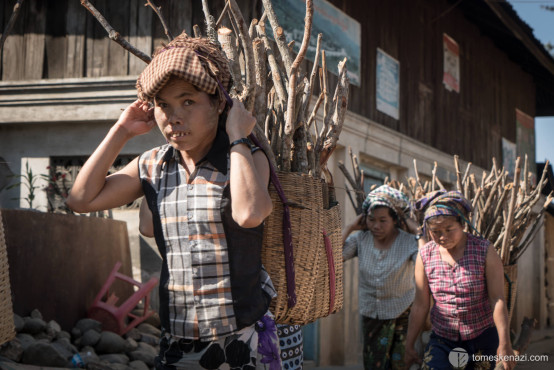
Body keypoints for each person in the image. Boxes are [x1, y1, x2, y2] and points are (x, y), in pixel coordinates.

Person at [67, 33, 281, 369]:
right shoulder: (153, 165)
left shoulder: (245, 158)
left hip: (240, 338)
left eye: (188, 102)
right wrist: (121, 130)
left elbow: (249, 214)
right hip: (176, 339)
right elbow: (80, 199)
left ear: (218, 104)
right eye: (163, 105)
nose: (173, 116)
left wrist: (238, 136)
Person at [404, 190, 515, 370]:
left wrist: (504, 343)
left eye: (449, 229)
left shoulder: (484, 250)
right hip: (443, 340)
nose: (442, 237)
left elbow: (497, 299)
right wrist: (409, 345)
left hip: (483, 338)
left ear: (462, 224)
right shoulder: (425, 255)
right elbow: (420, 305)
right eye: (435, 231)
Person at [342, 185, 421, 370]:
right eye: (371, 220)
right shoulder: (361, 239)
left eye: (383, 220)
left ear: (395, 220)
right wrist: (350, 227)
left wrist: (417, 232)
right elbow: (334, 257)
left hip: (402, 310)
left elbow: (426, 262)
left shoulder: (409, 242)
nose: (376, 226)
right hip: (372, 313)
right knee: (373, 364)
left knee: (399, 364)